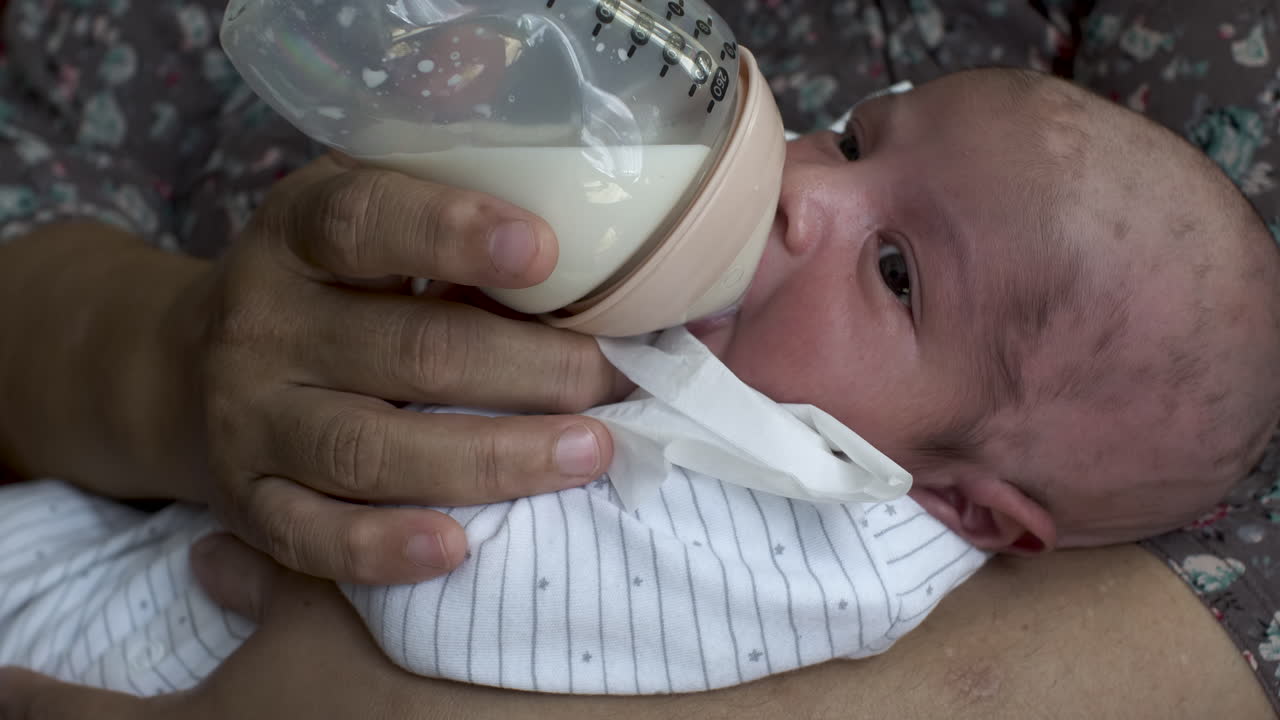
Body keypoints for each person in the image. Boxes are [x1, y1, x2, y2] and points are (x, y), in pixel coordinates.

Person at [0, 0, 1278, 716]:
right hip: (131, 529)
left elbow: (452, 590)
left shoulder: (839, 543)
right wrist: (180, 352)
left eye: (894, 273)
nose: (802, 192)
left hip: (158, 641)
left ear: (964, 506)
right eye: (847, 139)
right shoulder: (775, 390)